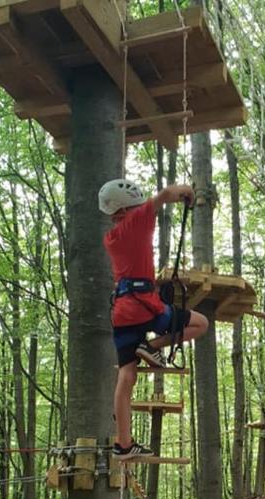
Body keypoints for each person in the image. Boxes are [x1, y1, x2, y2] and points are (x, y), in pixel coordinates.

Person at [99, 178, 208, 461]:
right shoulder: (136, 221)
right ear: (125, 209)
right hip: (146, 307)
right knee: (201, 323)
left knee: (126, 375)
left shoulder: (111, 237)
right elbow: (166, 194)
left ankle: (124, 444)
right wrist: (187, 192)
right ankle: (153, 346)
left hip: (122, 312)